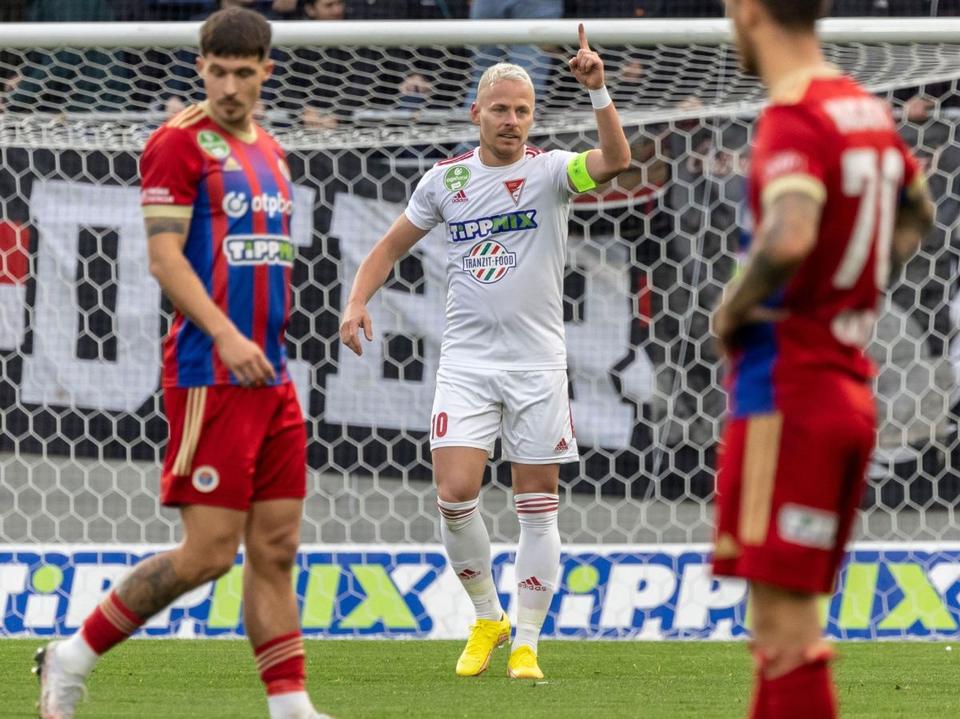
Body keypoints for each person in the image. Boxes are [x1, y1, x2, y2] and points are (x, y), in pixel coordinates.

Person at [34, 9, 331, 719]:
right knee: (208, 554)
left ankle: (291, 708)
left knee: (277, 546)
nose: (228, 86)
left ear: (266, 72)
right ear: (200, 68)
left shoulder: (272, 150)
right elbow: (164, 258)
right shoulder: (177, 143)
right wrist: (225, 335)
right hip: (211, 371)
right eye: (216, 71)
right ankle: (71, 657)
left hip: (271, 374)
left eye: (242, 72)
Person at [339, 25, 630, 680]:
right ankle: (487, 615)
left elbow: (616, 160)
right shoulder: (446, 181)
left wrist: (599, 91)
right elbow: (389, 247)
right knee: (454, 493)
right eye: (500, 108)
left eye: (522, 110)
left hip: (536, 366)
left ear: (533, 117)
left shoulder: (552, 172)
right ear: (476, 113)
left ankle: (526, 641)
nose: (511, 120)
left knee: (537, 506)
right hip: (467, 365)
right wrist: (357, 301)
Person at [711, 1, 934, 717]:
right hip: (842, 388)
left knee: (783, 632)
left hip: (788, 390)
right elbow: (918, 211)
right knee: (788, 629)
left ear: (750, 11)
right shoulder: (863, 108)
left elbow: (788, 236)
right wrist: (854, 285)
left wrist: (731, 310)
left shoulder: (796, 116)